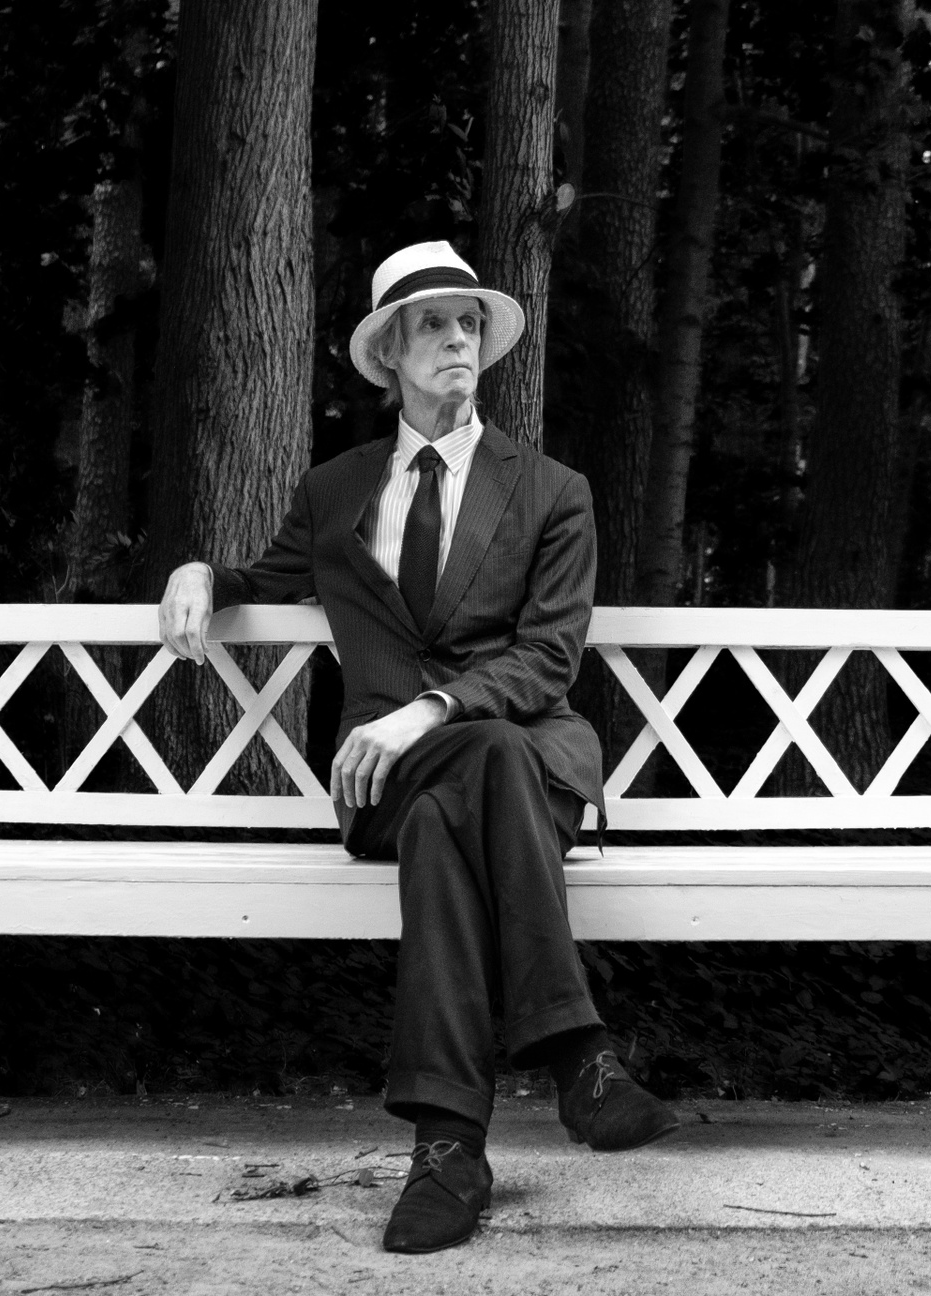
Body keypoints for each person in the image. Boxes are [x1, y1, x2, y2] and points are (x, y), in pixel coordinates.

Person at [157, 242, 678, 1254]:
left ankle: (448, 1152)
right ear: (389, 354)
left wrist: (427, 710)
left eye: (469, 323)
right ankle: (577, 1055)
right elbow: (262, 578)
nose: (457, 339)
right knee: (462, 778)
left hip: (526, 767)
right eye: (432, 324)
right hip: (385, 779)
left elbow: (549, 658)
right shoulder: (337, 490)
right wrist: (197, 574)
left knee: (466, 792)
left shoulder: (552, 489)